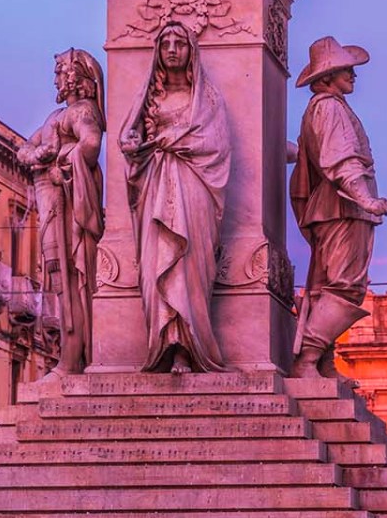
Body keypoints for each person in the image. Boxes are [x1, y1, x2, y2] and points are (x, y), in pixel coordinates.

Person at [120, 22, 232, 373]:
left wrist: (178, 142)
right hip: (156, 185)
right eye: (165, 43)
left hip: (193, 187)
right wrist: (132, 145)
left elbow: (218, 145)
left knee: (188, 265)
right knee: (157, 263)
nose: (171, 49)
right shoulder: (149, 99)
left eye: (179, 43)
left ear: (190, 51)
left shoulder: (207, 99)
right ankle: (164, 344)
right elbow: (128, 136)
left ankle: (189, 346)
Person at [289, 36, 387, 378]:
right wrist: (366, 199)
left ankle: (322, 361)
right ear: (327, 76)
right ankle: (307, 359)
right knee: (345, 284)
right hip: (341, 208)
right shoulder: (329, 108)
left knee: (326, 284)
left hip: (336, 208)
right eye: (345, 69)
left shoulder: (326, 107)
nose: (353, 74)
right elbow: (340, 160)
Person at [16, 48, 105, 377]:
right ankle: (70, 355)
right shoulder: (55, 118)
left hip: (67, 201)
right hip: (51, 201)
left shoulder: (82, 112)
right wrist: (43, 152)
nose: (56, 78)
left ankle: (72, 357)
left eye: (60, 72)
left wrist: (62, 161)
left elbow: (92, 144)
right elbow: (24, 148)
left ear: (75, 77)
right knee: (59, 276)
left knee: (72, 278)